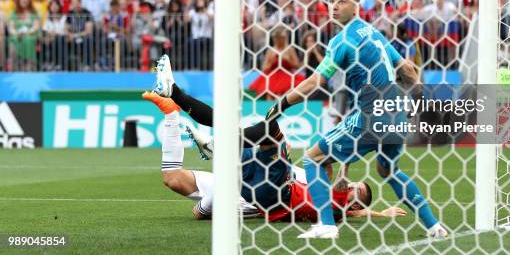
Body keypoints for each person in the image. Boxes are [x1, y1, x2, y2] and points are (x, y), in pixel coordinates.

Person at [251, 0, 446, 238]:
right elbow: (407, 69)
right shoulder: (374, 33)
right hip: (395, 111)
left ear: (356, 5)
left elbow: (314, 82)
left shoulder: (342, 40)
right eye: (331, 0)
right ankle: (434, 226)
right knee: (388, 170)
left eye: (341, 0)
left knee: (313, 158)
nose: (334, 5)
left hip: (370, 114)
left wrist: (281, 104)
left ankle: (327, 225)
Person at [142, 86, 406, 222]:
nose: (350, 186)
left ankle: (219, 145)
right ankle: (173, 105)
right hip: (262, 179)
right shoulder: (323, 189)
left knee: (269, 130)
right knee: (172, 178)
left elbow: (351, 201)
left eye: (355, 190)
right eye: (354, 185)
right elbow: (327, 168)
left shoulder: (337, 205)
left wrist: (380, 211)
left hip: (268, 196)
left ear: (355, 203)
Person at [8, 0, 40, 71]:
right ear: (19, 0)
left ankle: (29, 68)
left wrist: (27, 33)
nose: (24, 0)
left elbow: (36, 27)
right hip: (16, 36)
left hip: (30, 35)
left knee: (28, 40)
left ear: (29, 1)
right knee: (13, 42)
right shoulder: (14, 13)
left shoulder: (34, 13)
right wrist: (17, 33)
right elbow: (11, 28)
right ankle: (14, 69)